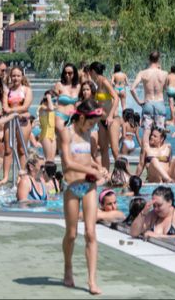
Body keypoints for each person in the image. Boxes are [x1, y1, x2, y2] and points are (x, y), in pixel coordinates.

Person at [59, 98, 108, 294]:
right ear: (81, 118)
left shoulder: (88, 133)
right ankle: (68, 267)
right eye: (91, 122)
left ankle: (91, 280)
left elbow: (87, 158)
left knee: (90, 232)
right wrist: (93, 171)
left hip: (88, 186)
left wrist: (98, 167)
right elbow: (68, 163)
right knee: (71, 234)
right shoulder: (67, 132)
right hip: (72, 186)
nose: (92, 126)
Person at [130, 51, 167, 132]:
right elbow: (166, 89)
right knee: (159, 133)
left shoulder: (142, 73)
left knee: (146, 132)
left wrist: (139, 102)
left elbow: (132, 88)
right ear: (159, 60)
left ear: (149, 60)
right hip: (160, 103)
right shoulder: (164, 73)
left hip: (148, 103)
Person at [38, 92, 57, 163]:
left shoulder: (53, 108)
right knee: (49, 159)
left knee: (52, 160)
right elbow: (51, 108)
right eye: (53, 100)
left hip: (53, 135)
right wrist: (49, 98)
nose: (54, 102)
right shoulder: (42, 107)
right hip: (45, 134)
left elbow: (55, 107)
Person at [164, 66, 175, 132]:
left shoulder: (168, 76)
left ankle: (173, 119)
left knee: (171, 105)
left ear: (170, 69)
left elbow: (166, 84)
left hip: (170, 90)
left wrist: (166, 90)